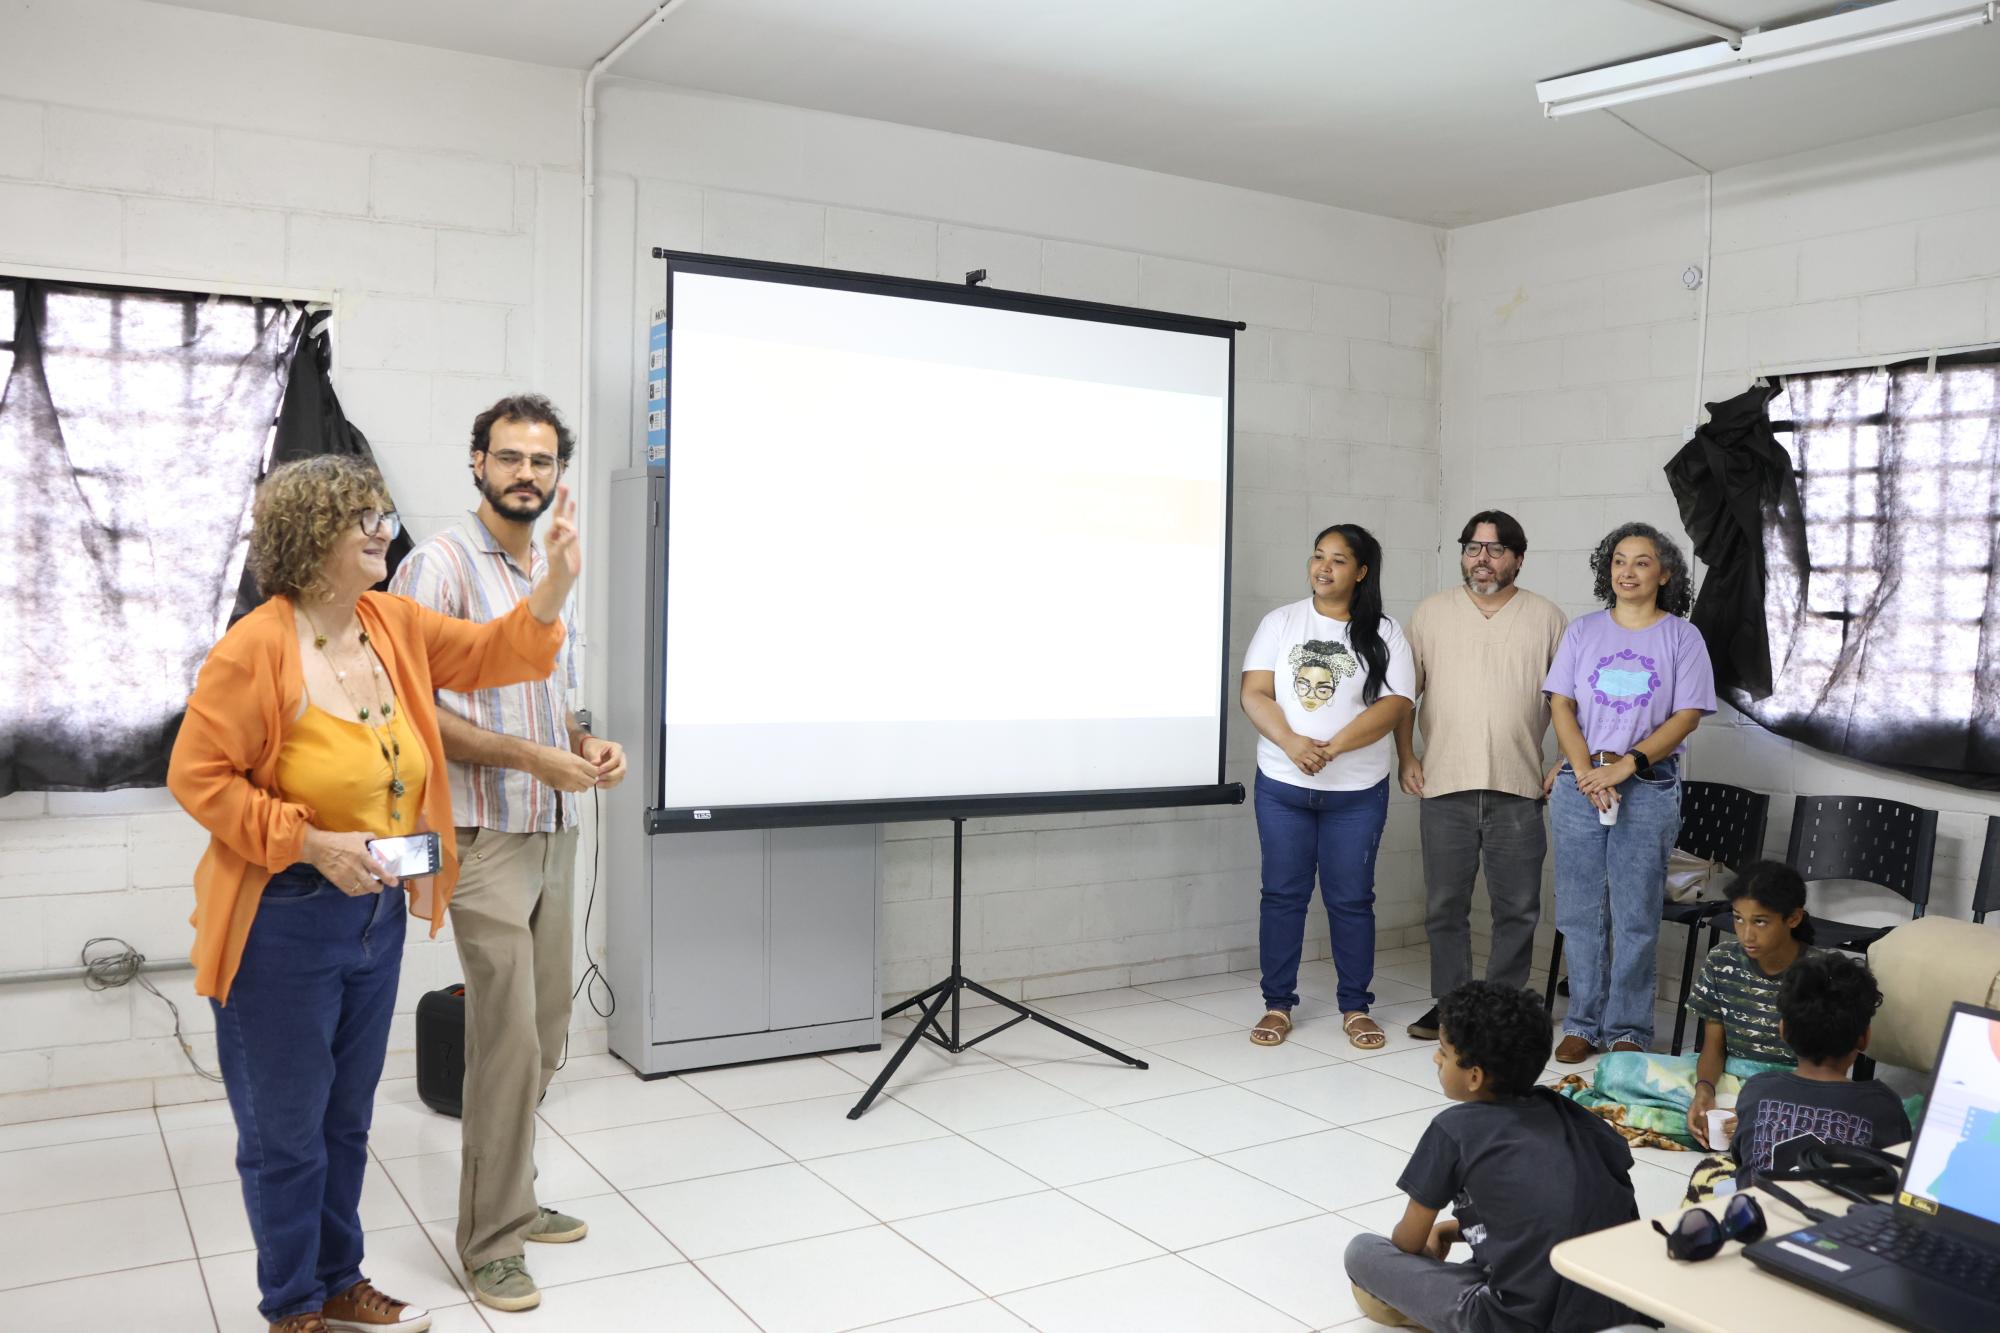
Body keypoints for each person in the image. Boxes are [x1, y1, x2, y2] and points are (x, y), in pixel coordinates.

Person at [168, 455, 578, 1333]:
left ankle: (339, 1279)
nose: (379, 530)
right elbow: (197, 777)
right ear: (307, 537)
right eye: (359, 517)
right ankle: (292, 1308)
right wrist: (309, 841)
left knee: (346, 1120)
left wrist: (551, 587)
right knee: (286, 1134)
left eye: (382, 514)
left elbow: (493, 651)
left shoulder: (388, 621)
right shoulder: (255, 647)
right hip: (280, 922)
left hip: (374, 915)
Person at [389, 395, 625, 1313]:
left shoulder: (548, 564)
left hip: (552, 823)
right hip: (482, 832)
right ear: (477, 462)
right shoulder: (439, 566)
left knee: (549, 1033)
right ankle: (489, 1240)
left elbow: (536, 702)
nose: (527, 473)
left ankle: (514, 1199)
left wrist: (580, 739)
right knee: (506, 1040)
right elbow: (415, 715)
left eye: (542, 459)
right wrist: (534, 755)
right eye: (510, 457)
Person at [1343, 981, 1644, 1332]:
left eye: (1443, 1051)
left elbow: (1408, 1242)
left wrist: (1427, 1240)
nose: (1435, 1058)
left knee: (1362, 1252)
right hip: (1615, 1309)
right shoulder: (1571, 1114)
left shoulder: (1453, 1129)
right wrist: (1451, 1231)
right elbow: (1556, 1213)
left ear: (1474, 1076)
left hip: (1512, 1321)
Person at [1545, 521, 1715, 1064]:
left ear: (1664, 574)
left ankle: (1628, 1029)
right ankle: (1582, 1021)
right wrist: (1584, 771)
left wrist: (1626, 766)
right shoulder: (1582, 632)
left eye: (1642, 562)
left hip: (1646, 784)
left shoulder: (1682, 637)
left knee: (1636, 913)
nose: (1628, 571)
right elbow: (1561, 706)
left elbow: (1686, 716)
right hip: (1581, 784)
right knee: (1578, 910)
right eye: (1619, 560)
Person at [1240, 523, 1415, 1050]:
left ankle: (1355, 1007)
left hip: (1356, 792)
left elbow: (1395, 705)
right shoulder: (1281, 622)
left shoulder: (1385, 633)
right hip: (1283, 785)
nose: (1324, 567)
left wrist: (1332, 748)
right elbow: (1254, 692)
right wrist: (1294, 743)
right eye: (1318, 556)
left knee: (1351, 899)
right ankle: (1277, 1004)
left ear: (1361, 572)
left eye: (1338, 560)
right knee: (1282, 896)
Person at [1396, 511, 1567, 1041]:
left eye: (1495, 550)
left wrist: (1564, 760)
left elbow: (1570, 702)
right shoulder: (1430, 614)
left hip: (1519, 786)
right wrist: (1406, 757)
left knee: (1517, 907)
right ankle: (1451, 1004)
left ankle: (1506, 1004)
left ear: (1518, 557)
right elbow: (1402, 698)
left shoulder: (1547, 619)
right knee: (1446, 904)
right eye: (1473, 548)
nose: (1482, 559)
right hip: (1444, 783)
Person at [1562, 861, 1818, 1146]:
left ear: (1793, 918)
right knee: (1613, 1070)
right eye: (1738, 918)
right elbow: (1713, 1047)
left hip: (1790, 1087)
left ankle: (1751, 1122)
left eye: (1760, 921)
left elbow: (1824, 1069)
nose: (1746, 934)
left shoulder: (1819, 973)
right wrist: (1704, 1091)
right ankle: (1724, 1122)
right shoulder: (1723, 960)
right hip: (1729, 1076)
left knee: (1802, 1116)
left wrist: (1759, 1107)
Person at [1724, 952, 1911, 1187]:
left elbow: (1742, 1161)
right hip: (1836, 1220)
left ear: (1783, 1031)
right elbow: (1898, 1177)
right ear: (1864, 1038)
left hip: (1757, 1217)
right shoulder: (1883, 1106)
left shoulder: (1756, 1090)